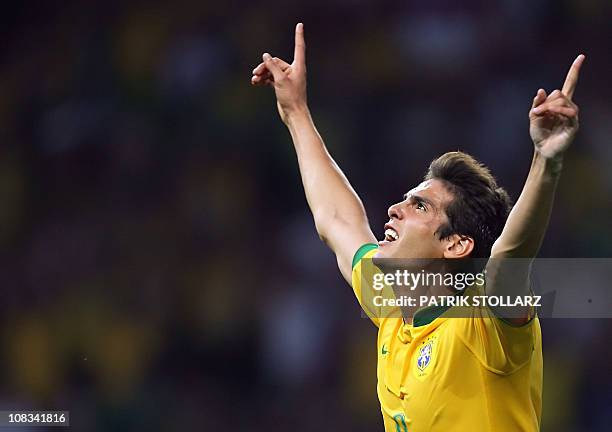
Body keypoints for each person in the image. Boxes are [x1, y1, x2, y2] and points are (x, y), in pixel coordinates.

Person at [251, 23, 584, 431]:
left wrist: (546, 162)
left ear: (457, 245)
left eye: (419, 206)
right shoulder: (391, 304)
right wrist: (296, 112)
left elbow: (511, 255)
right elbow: (337, 220)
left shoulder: (484, 322)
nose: (393, 210)